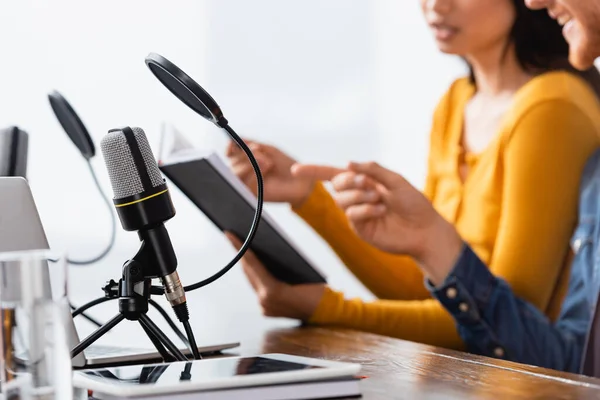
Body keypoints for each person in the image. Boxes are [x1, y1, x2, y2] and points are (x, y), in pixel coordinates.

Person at [228, 0, 600, 376]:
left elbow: (500, 318)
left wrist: (327, 310)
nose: (436, 5)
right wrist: (310, 196)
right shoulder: (456, 101)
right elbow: (435, 285)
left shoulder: (550, 106)